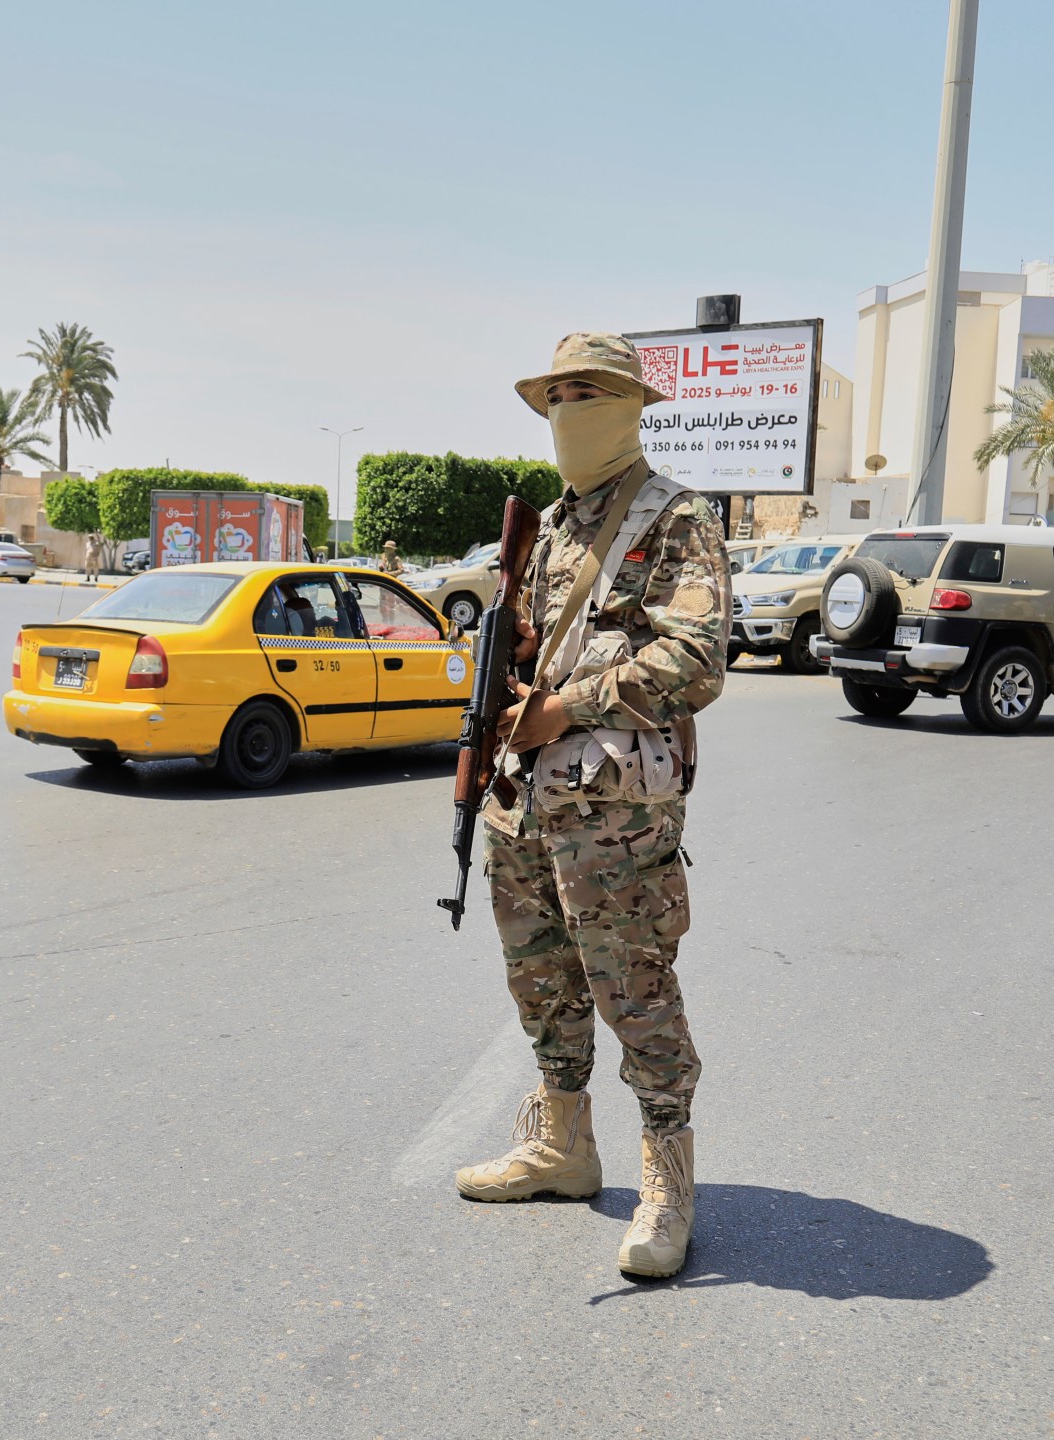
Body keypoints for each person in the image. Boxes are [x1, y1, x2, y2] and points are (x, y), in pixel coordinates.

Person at [453, 332, 730, 1281]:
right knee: (541, 980)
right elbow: (535, 646)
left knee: (636, 990)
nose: (568, 410)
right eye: (557, 395)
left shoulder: (677, 518)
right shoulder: (547, 528)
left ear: (630, 406)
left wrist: (565, 708)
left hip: (616, 811)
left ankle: (668, 1181)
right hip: (527, 799)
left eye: (587, 393)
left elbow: (696, 661)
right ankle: (562, 1144)